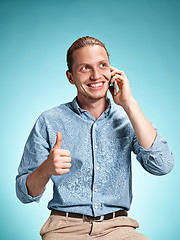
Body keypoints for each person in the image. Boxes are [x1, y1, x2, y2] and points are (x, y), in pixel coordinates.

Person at [16, 36, 174, 240]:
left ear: (112, 71)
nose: (96, 75)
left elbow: (162, 165)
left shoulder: (128, 118)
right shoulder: (49, 120)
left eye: (102, 65)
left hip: (119, 228)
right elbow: (24, 193)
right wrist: (47, 167)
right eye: (85, 68)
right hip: (64, 229)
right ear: (70, 77)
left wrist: (129, 103)